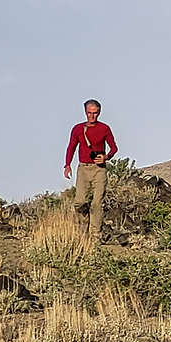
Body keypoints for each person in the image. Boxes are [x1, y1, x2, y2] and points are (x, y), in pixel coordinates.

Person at [64, 99, 117, 241]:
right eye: (89, 113)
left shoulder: (104, 128)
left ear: (99, 112)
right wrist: (67, 165)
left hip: (99, 169)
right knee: (79, 202)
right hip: (83, 168)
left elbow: (114, 147)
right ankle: (83, 225)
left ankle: (95, 234)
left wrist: (106, 157)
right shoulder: (77, 129)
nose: (92, 116)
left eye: (95, 113)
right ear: (85, 112)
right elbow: (71, 147)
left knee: (97, 202)